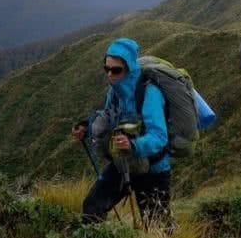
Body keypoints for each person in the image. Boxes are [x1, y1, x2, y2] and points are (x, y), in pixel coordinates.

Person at [72, 38, 172, 227]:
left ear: (130, 68)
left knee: (158, 229)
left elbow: (160, 136)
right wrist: (86, 127)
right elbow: (109, 116)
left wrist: (133, 145)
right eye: (107, 68)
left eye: (116, 70)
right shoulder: (114, 92)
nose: (110, 74)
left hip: (153, 169)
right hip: (124, 163)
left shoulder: (149, 93)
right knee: (92, 206)